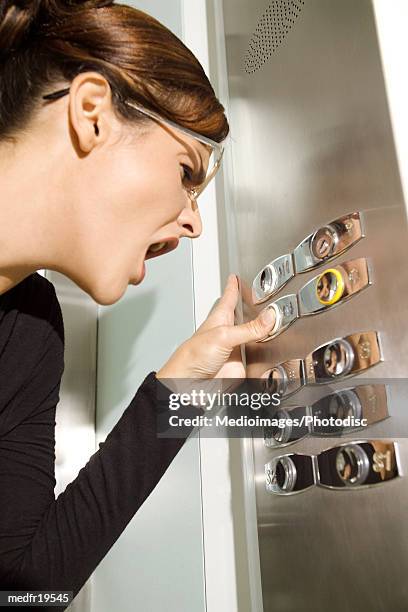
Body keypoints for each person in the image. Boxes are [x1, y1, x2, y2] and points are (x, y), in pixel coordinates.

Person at [0, 0, 276, 607]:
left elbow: (25, 588)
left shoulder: (29, 333)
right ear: (92, 113)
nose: (194, 222)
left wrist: (182, 392)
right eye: (186, 172)